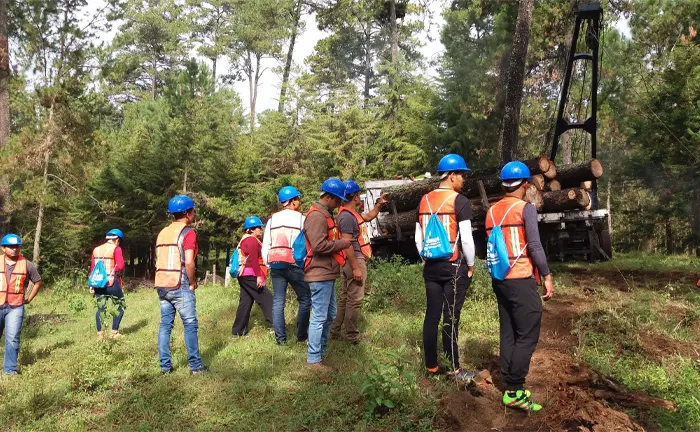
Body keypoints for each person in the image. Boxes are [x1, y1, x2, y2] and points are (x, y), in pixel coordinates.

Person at [485, 161, 555, 412]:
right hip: (521, 278)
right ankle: (514, 390)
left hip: (500, 279)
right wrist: (546, 275)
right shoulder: (525, 209)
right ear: (525, 185)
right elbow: (534, 246)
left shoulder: (491, 211)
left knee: (509, 331)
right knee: (527, 333)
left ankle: (509, 383)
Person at [415, 154, 476, 382]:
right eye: (461, 174)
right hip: (453, 266)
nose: (463, 179)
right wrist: (470, 265)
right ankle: (454, 369)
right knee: (451, 316)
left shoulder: (424, 200)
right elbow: (467, 239)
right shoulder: (459, 201)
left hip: (431, 266)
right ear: (451, 176)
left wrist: (427, 259)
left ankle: (431, 366)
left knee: (431, 316)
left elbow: (418, 238)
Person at [154, 195, 206, 375]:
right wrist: (192, 282)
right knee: (190, 324)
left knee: (165, 325)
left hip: (161, 283)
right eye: (192, 210)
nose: (194, 213)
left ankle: (165, 367)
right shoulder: (188, 233)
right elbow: (189, 262)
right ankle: (196, 366)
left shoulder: (162, 233)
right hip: (180, 282)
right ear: (186, 213)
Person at [330, 180, 387, 344]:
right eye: (358, 195)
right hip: (354, 259)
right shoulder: (347, 217)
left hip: (353, 259)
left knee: (345, 298)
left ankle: (334, 331)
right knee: (354, 300)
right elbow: (347, 244)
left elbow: (368, 217)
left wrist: (379, 205)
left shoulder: (350, 214)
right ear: (355, 197)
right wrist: (356, 267)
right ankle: (353, 337)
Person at [303, 178, 351, 372]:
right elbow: (319, 246)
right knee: (319, 317)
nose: (339, 204)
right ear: (328, 197)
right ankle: (314, 360)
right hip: (319, 274)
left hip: (326, 273)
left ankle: (320, 352)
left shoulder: (324, 214)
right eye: (337, 200)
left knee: (329, 314)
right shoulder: (317, 217)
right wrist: (343, 243)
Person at [261, 186, 311, 345]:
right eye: (298, 198)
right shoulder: (302, 219)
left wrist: (268, 264)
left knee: (278, 302)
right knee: (305, 299)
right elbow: (306, 245)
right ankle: (302, 335)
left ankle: (280, 340)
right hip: (296, 265)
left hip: (276, 265)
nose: (299, 202)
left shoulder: (272, 220)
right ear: (293, 201)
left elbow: (266, 244)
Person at [0, 234, 43, 375]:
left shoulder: (26, 264)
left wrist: (29, 298)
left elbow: (37, 281)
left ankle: (10, 370)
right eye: (11, 247)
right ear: (3, 248)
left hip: (16, 306)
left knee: (12, 337)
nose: (14, 249)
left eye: (17, 246)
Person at [232, 216, 274, 336]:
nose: (260, 230)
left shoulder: (245, 239)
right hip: (251, 274)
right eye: (258, 228)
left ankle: (238, 332)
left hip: (244, 274)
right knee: (267, 298)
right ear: (250, 229)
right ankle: (275, 326)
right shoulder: (251, 240)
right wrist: (259, 276)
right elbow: (254, 260)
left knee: (246, 301)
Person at [90, 229, 126, 339]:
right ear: (117, 240)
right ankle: (114, 332)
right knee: (120, 305)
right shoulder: (116, 249)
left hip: (98, 283)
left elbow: (93, 268)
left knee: (101, 308)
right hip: (111, 282)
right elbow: (120, 265)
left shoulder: (96, 249)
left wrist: (91, 285)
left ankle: (100, 335)